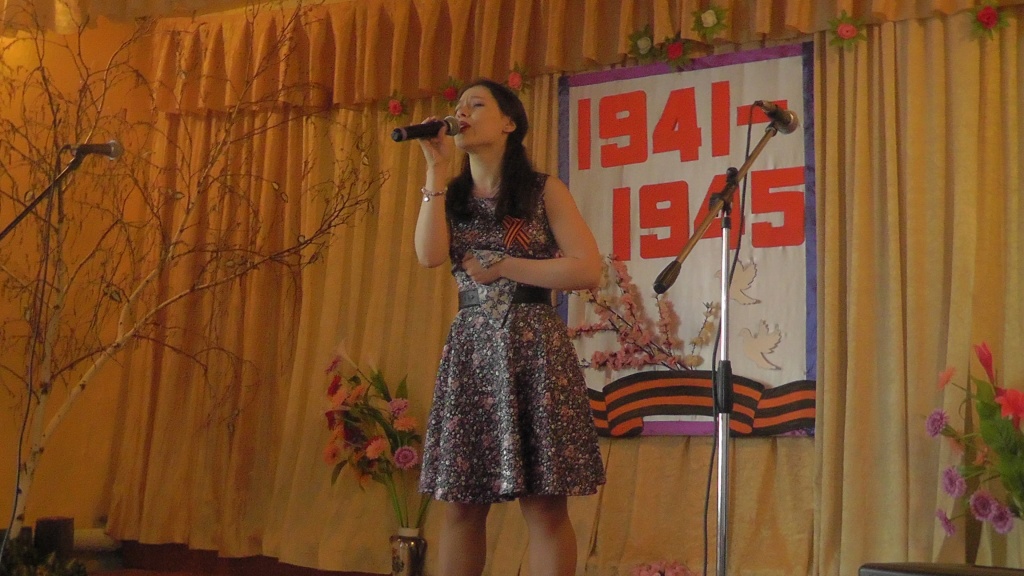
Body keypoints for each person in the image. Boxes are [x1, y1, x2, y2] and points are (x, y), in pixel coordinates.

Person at [413, 78, 606, 576]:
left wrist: (505, 266)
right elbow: (428, 256)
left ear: (508, 122)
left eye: (476, 104)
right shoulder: (450, 194)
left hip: (534, 346)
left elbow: (586, 269)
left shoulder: (542, 190)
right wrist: (435, 168)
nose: (461, 112)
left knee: (544, 506)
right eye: (458, 105)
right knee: (461, 506)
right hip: (473, 351)